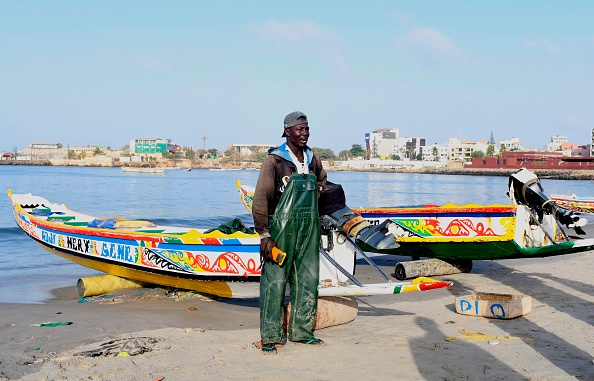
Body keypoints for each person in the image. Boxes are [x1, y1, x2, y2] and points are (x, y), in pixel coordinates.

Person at [252, 111, 327, 354]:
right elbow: (261, 198)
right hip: (280, 228)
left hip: (308, 229)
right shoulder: (274, 160)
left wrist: (316, 194)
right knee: (274, 282)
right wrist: (264, 234)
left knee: (308, 279)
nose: (304, 133)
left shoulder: (312, 159)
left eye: (307, 129)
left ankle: (302, 332)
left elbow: (322, 181)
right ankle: (271, 336)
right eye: (299, 129)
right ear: (287, 132)